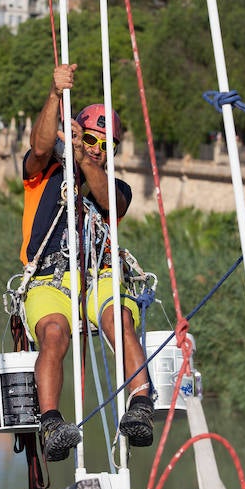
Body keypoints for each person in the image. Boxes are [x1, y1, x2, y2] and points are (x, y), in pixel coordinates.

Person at [21, 63, 153, 462]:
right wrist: (53, 94)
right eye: (89, 138)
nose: (96, 147)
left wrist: (86, 159)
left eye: (105, 144)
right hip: (49, 278)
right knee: (55, 332)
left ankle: (141, 405)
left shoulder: (114, 186)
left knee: (118, 318)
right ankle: (51, 423)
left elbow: (110, 204)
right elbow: (40, 148)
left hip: (101, 274)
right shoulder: (44, 174)